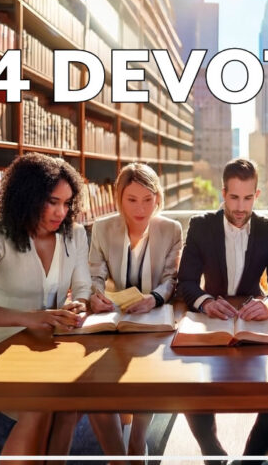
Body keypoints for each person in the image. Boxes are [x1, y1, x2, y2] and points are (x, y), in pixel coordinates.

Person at [0, 153, 121, 462]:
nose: (61, 212)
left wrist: (79, 305)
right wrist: (30, 318)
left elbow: (82, 289)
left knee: (67, 406)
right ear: (28, 196)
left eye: (67, 203)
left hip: (51, 346)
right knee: (42, 402)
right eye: (52, 201)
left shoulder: (74, 234)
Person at [176, 158, 268, 465]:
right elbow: (186, 281)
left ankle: (255, 454)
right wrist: (204, 301)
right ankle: (212, 453)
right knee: (193, 387)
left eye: (248, 197)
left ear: (258, 195)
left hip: (256, 320)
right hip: (210, 319)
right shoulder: (201, 226)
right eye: (234, 197)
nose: (241, 207)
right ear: (223, 193)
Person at [86, 163, 183, 458]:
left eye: (147, 199)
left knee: (151, 371)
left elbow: (171, 279)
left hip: (154, 313)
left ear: (158, 198)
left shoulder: (171, 229)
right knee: (99, 377)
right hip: (113, 314)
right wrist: (95, 296)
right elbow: (94, 275)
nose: (140, 208)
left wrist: (154, 298)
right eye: (131, 200)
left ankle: (138, 440)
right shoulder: (103, 228)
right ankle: (118, 447)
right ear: (119, 199)